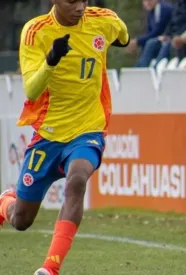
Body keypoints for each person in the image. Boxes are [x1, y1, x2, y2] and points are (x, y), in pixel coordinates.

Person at [0, 1, 129, 274]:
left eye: (83, 0)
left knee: (77, 180)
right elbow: (32, 92)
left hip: (88, 129)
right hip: (48, 135)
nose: (80, 7)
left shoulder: (103, 20)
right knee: (21, 220)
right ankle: (5, 202)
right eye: (72, 1)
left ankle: (50, 268)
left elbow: (123, 35)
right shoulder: (35, 32)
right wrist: (51, 61)